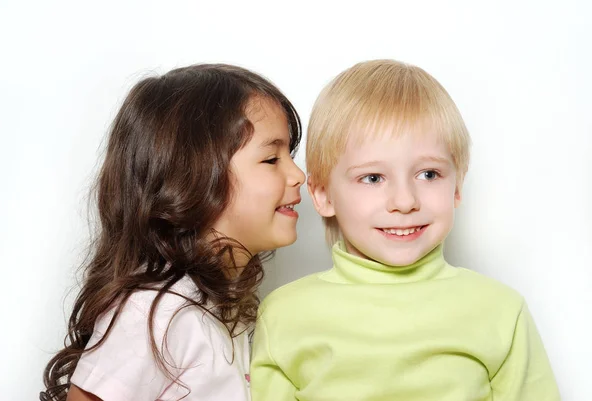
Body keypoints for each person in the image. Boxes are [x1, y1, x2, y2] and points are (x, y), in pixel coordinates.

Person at [250, 59, 560, 400]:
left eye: (428, 174)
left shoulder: (501, 311)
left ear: (457, 187)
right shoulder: (284, 315)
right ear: (323, 195)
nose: (404, 200)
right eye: (373, 178)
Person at [40, 63, 306, 401]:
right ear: (193, 177)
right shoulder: (155, 311)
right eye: (271, 159)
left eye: (290, 155)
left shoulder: (218, 308)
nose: (299, 175)